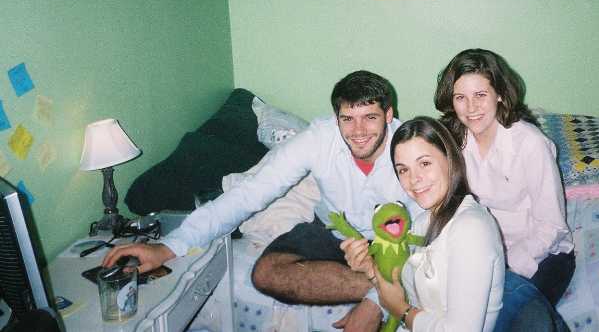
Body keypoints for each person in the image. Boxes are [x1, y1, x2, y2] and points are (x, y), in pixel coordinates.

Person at [103, 70, 423, 332]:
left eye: (369, 117)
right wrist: (168, 246)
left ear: (389, 115)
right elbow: (248, 194)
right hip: (332, 231)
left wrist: (374, 305)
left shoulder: (413, 150)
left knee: (425, 270)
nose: (358, 131)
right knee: (266, 273)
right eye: (347, 119)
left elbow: (426, 233)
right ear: (335, 117)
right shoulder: (318, 139)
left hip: (395, 245)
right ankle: (387, 289)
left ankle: (389, 291)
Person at [434, 48, 575, 332]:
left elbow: (551, 227)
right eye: (461, 97)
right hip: (481, 252)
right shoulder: (452, 140)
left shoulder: (530, 144)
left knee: (510, 319)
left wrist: (504, 267)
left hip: (540, 254)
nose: (471, 107)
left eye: (480, 95)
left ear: (499, 94)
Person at [341, 116, 504, 332]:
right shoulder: (422, 223)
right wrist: (371, 270)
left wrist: (402, 311)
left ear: (450, 159)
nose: (414, 178)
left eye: (425, 163)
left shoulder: (471, 228)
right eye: (403, 170)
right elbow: (407, 295)